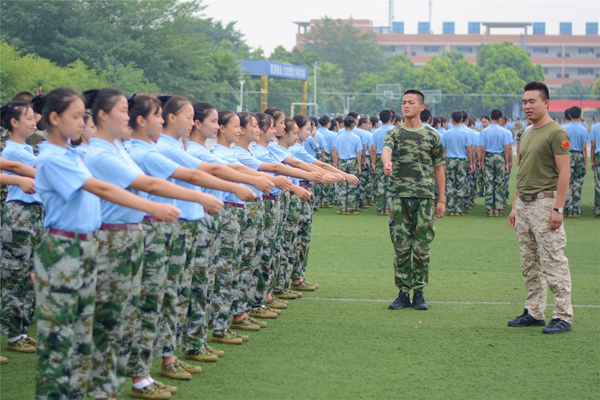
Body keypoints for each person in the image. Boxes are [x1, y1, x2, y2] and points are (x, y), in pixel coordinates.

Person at [31, 87, 180, 400]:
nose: (81, 123)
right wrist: (153, 207)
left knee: (82, 338)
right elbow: (102, 188)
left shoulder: (74, 154)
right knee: (59, 342)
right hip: (63, 249)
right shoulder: (54, 158)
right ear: (54, 118)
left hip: (83, 247)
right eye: (74, 116)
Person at [508, 81, 573, 335]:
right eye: (524, 102)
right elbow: (522, 172)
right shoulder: (525, 133)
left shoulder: (556, 133)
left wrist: (558, 208)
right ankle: (534, 311)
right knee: (529, 262)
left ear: (546, 103)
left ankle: (563, 315)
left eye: (532, 101)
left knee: (553, 260)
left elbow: (564, 172)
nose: (527, 106)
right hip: (524, 204)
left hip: (545, 203)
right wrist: (515, 206)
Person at [382, 90, 445, 311]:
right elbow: (386, 150)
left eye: (411, 102)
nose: (406, 106)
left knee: (421, 247)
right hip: (400, 197)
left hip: (425, 197)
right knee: (401, 246)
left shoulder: (432, 136)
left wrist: (442, 199)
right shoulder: (395, 133)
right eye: (403, 102)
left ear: (421, 107)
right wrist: (387, 163)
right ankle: (402, 292)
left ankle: (419, 291)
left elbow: (439, 167)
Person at [0, 101, 42, 356]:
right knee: (15, 275)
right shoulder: (14, 151)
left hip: (32, 214)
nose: (34, 121)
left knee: (27, 274)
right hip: (19, 215)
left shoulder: (25, 148)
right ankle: (14, 333)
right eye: (28, 117)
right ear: (13, 123)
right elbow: (43, 172)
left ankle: (21, 331)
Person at [479, 109, 512, 216]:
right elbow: (507, 149)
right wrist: (507, 163)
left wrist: (481, 161)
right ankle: (498, 209)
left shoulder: (484, 131)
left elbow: (482, 149)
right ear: (500, 119)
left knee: (489, 182)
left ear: (490, 117)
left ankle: (489, 209)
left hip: (488, 156)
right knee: (499, 182)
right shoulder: (504, 131)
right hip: (500, 157)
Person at [563, 106, 589, 217]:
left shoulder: (564, 128)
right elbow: (584, 148)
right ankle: (576, 210)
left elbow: (563, 145)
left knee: (567, 182)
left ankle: (567, 209)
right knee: (577, 183)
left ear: (569, 115)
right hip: (579, 155)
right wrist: (585, 163)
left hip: (568, 155)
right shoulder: (583, 129)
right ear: (580, 115)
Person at [592, 120, 600, 217]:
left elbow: (593, 146)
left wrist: (592, 161)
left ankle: (598, 209)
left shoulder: (595, 127)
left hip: (598, 156)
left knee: (598, 183)